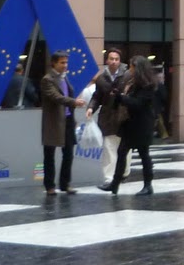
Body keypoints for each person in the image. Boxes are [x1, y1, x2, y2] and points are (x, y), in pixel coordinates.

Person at [101, 56, 158, 196]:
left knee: (144, 155)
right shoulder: (133, 82)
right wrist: (119, 96)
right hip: (130, 124)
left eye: (132, 67)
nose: (130, 70)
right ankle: (115, 184)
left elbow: (138, 104)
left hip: (142, 125)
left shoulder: (148, 85)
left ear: (138, 68)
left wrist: (122, 98)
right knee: (121, 152)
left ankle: (148, 185)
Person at [39, 51, 84, 196]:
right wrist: (74, 102)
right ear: (54, 63)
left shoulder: (65, 78)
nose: (65, 65)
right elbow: (56, 97)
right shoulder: (47, 79)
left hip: (68, 120)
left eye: (66, 62)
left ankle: (65, 184)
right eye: (62, 62)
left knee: (68, 154)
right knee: (49, 154)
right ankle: (50, 186)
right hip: (53, 122)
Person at [89, 49, 126, 182]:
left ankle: (123, 173)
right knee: (109, 147)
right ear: (107, 60)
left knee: (124, 148)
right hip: (108, 118)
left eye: (116, 59)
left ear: (119, 61)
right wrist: (90, 108)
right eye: (111, 59)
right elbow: (96, 97)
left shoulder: (127, 76)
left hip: (124, 118)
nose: (114, 62)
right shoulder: (101, 79)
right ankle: (109, 177)